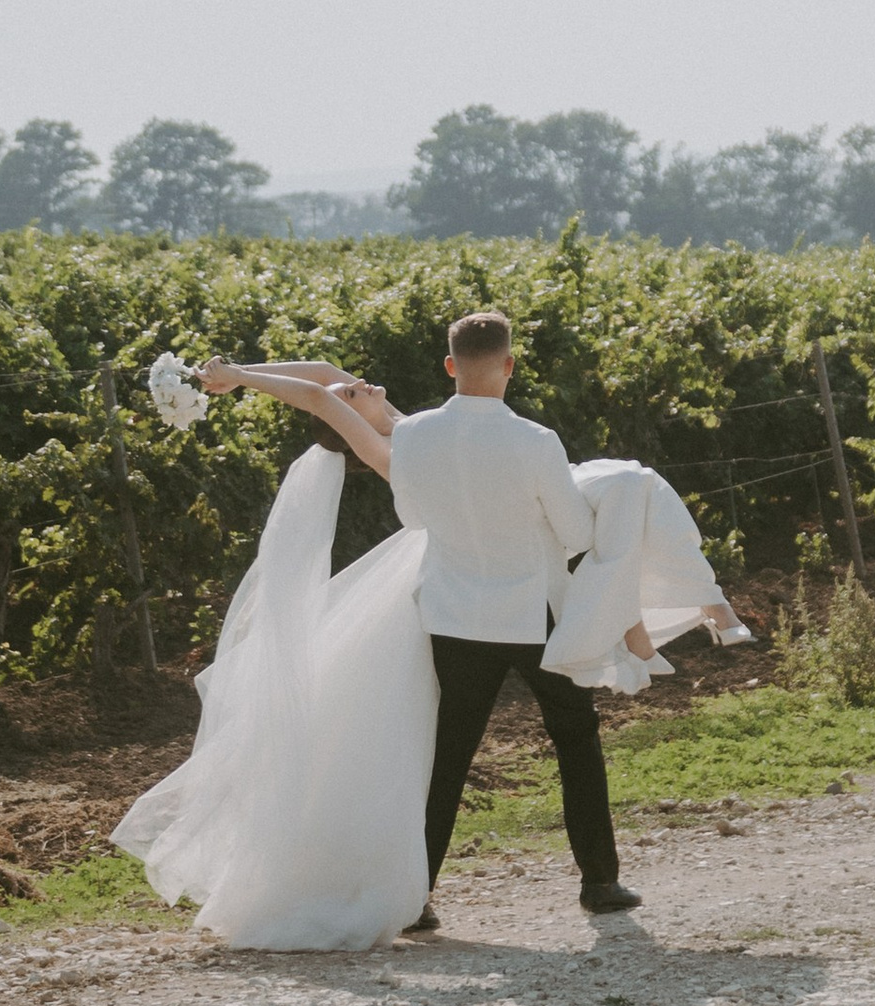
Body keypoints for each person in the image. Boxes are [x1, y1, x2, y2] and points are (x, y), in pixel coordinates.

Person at [111, 311, 732, 947]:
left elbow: (323, 389)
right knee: (574, 736)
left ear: (448, 366)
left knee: (447, 757)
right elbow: (575, 535)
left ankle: (419, 895)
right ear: (510, 366)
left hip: (455, 617)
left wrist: (238, 377)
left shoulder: (414, 441)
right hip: (535, 613)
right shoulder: (538, 441)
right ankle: (599, 882)